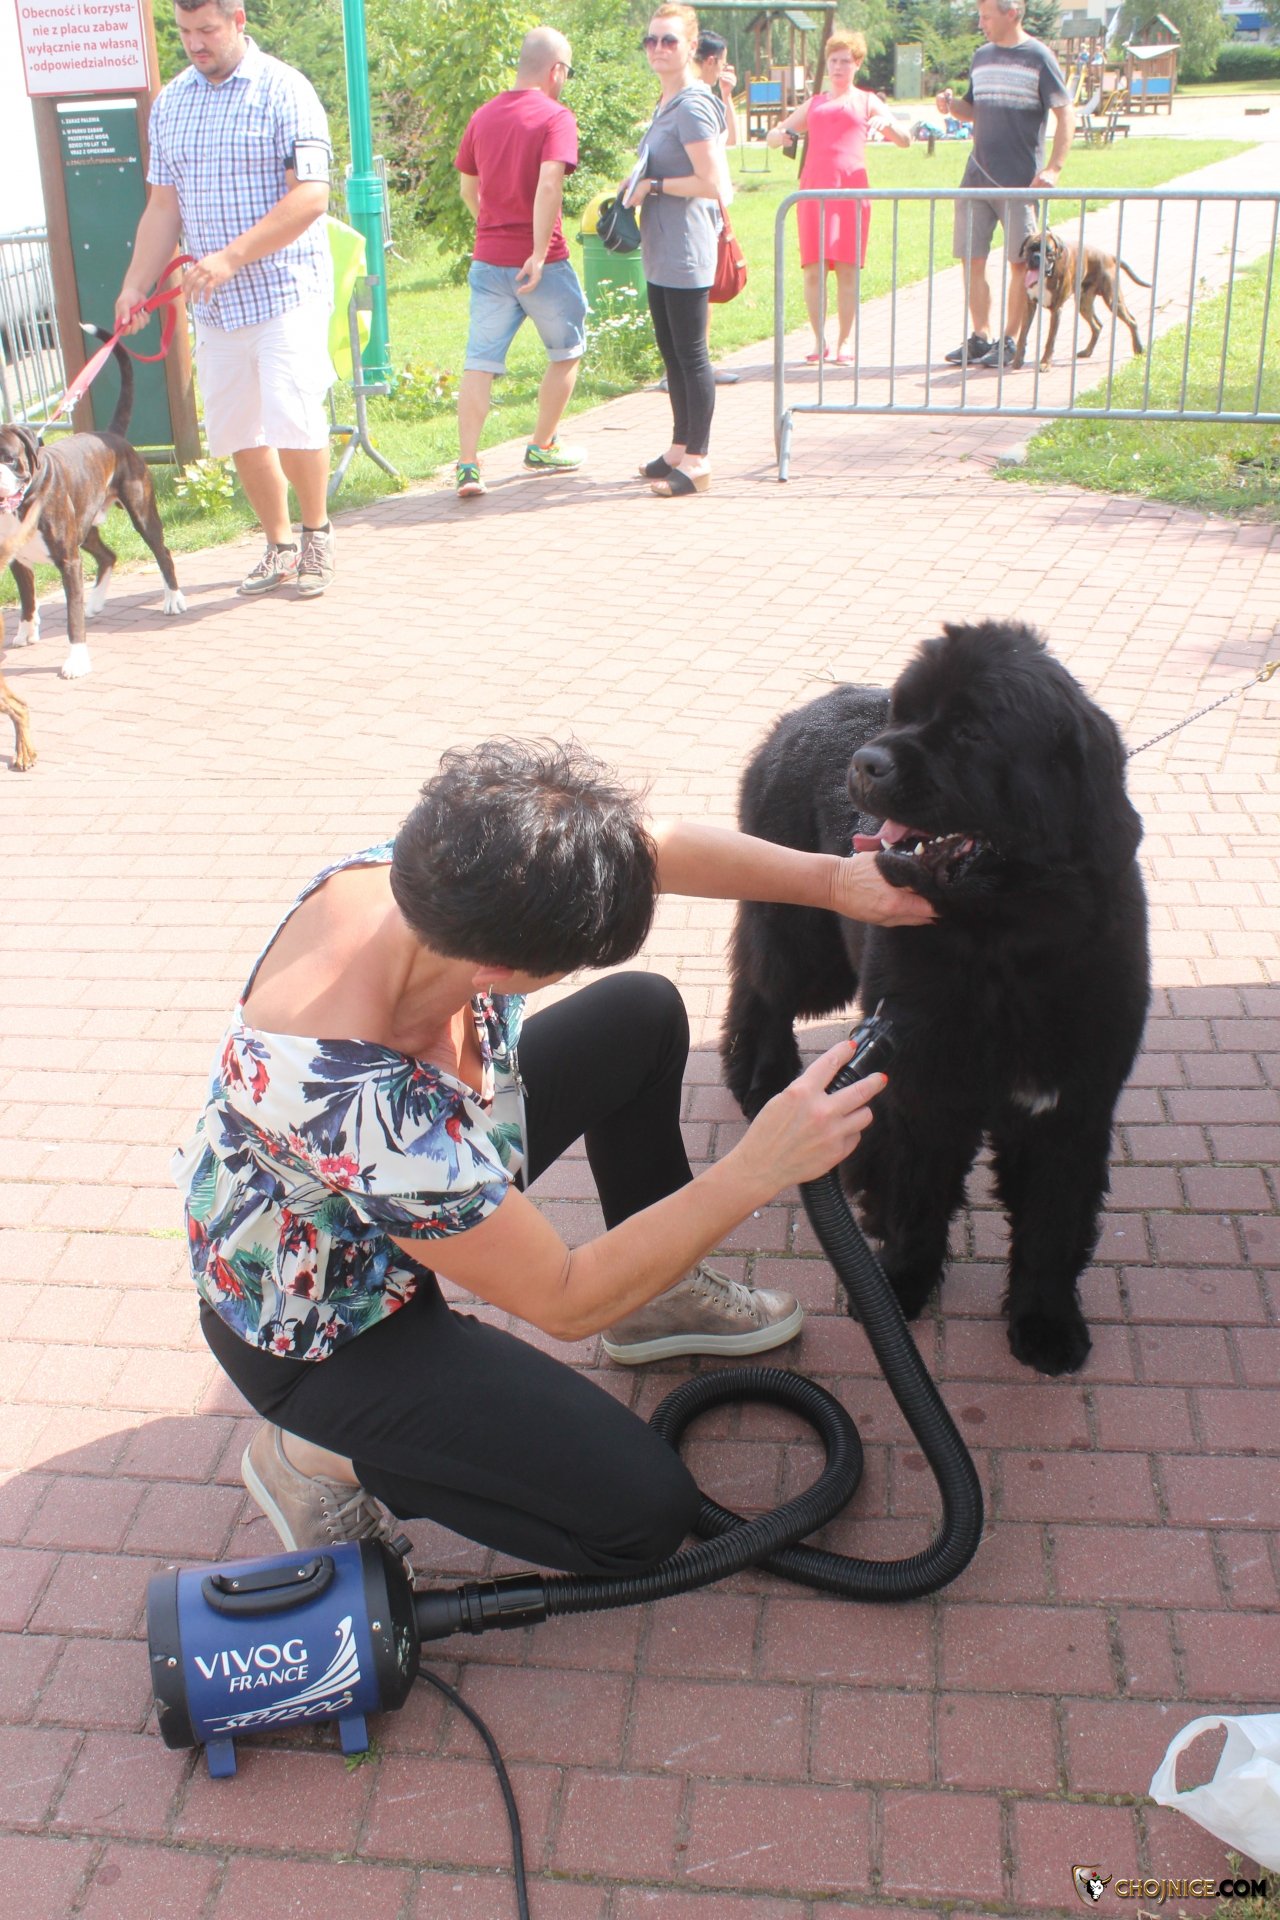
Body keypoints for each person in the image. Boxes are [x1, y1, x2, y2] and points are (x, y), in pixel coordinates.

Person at [175, 739, 934, 1576]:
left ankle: (656, 1299)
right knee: (642, 1515)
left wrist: (837, 882)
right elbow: (565, 1300)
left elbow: (654, 849)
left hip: (416, 1170)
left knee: (641, 1014)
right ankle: (318, 1456)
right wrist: (759, 1166)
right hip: (327, 1319)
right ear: (500, 968)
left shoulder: (450, 869)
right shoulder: (351, 1095)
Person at [116, 0, 338, 599]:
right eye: (185, 31)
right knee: (240, 431)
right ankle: (279, 545)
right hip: (215, 306)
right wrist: (136, 284)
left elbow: (311, 196)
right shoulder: (170, 104)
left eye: (207, 30)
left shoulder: (286, 90)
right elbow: (163, 207)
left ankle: (316, 534)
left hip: (285, 290)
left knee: (294, 419)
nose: (195, 43)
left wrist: (232, 256)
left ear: (238, 20)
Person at [453, 27, 588, 500]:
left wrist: (492, 227)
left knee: (479, 362)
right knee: (566, 351)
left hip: (488, 261)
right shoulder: (556, 117)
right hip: (543, 264)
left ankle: (468, 465)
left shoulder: (483, 115)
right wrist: (536, 252)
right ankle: (542, 445)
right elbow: (550, 183)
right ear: (557, 71)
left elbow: (468, 189)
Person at [935, 0, 1072, 370]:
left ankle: (1010, 340)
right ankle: (981, 336)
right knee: (970, 258)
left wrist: (1054, 168)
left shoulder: (1039, 57)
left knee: (1020, 264)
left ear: (1011, 13)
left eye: (986, 16)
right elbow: (973, 108)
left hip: (1019, 182)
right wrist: (951, 105)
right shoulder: (982, 57)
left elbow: (1065, 113)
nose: (981, 23)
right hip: (976, 177)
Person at [767, 30, 909, 366]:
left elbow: (905, 139)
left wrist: (886, 124)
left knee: (847, 269)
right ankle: (820, 340)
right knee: (813, 269)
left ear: (857, 64)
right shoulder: (815, 103)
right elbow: (776, 134)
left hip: (851, 191)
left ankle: (845, 341)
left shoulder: (867, 100)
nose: (838, 67)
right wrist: (779, 136)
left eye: (845, 61)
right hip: (813, 190)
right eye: (833, 61)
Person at [629, 5, 724, 499]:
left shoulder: (692, 104)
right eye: (651, 40)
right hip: (662, 245)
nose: (658, 49)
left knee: (691, 354)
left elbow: (712, 183)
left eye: (669, 40)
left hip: (686, 245)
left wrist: (655, 186)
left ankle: (698, 460)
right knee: (671, 351)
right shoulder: (666, 101)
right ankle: (679, 446)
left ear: (690, 47)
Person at [693, 28, 741, 387]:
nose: (724, 68)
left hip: (710, 205)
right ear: (711, 61)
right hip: (701, 207)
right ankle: (694, 366)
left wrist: (726, 95)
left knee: (705, 288)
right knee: (701, 287)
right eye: (722, 63)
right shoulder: (694, 99)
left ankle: (698, 362)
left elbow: (732, 138)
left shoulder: (708, 96)